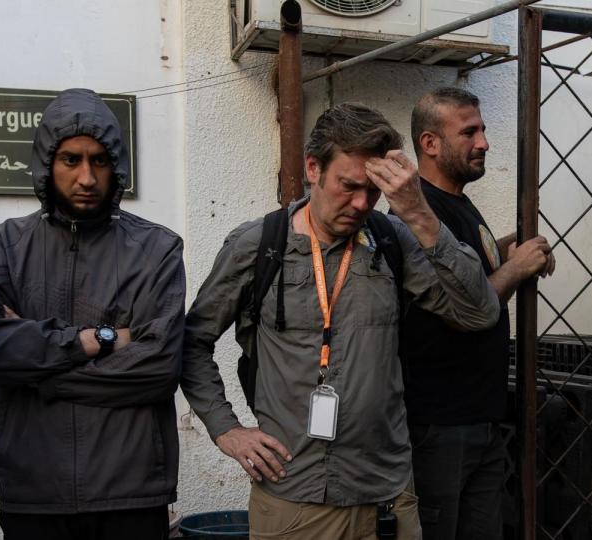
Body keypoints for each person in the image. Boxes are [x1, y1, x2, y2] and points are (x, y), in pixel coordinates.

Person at [181, 102, 502, 539]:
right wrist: (227, 430)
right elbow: (191, 343)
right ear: (313, 168)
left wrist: (419, 213)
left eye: (373, 191)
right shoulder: (259, 245)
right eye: (348, 186)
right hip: (294, 497)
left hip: (388, 498)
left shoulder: (392, 239)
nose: (361, 203)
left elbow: (480, 311)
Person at [0, 88, 185, 540]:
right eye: (71, 160)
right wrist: (94, 340)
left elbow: (158, 366)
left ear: (117, 165)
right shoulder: (3, 245)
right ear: (47, 163)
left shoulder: (157, 249)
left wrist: (37, 371)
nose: (87, 177)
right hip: (36, 491)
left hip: (132, 490)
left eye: (100, 160)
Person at [401, 87, 554, 540]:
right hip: (439, 425)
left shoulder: (458, 204)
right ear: (430, 144)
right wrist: (517, 266)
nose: (484, 142)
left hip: (479, 419)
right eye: (469, 132)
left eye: (482, 130)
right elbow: (464, 307)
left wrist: (517, 248)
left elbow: (471, 270)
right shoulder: (419, 215)